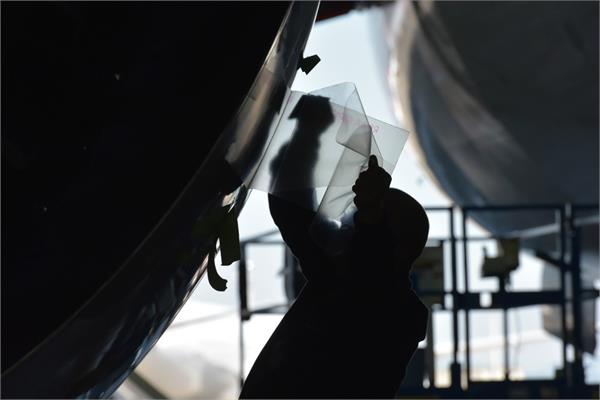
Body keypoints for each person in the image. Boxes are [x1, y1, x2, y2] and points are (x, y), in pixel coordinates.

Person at [240, 95, 429, 399]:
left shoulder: (399, 314)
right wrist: (308, 135)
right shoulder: (339, 277)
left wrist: (370, 217)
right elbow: (294, 208)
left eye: (361, 221)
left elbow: (372, 278)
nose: (347, 227)